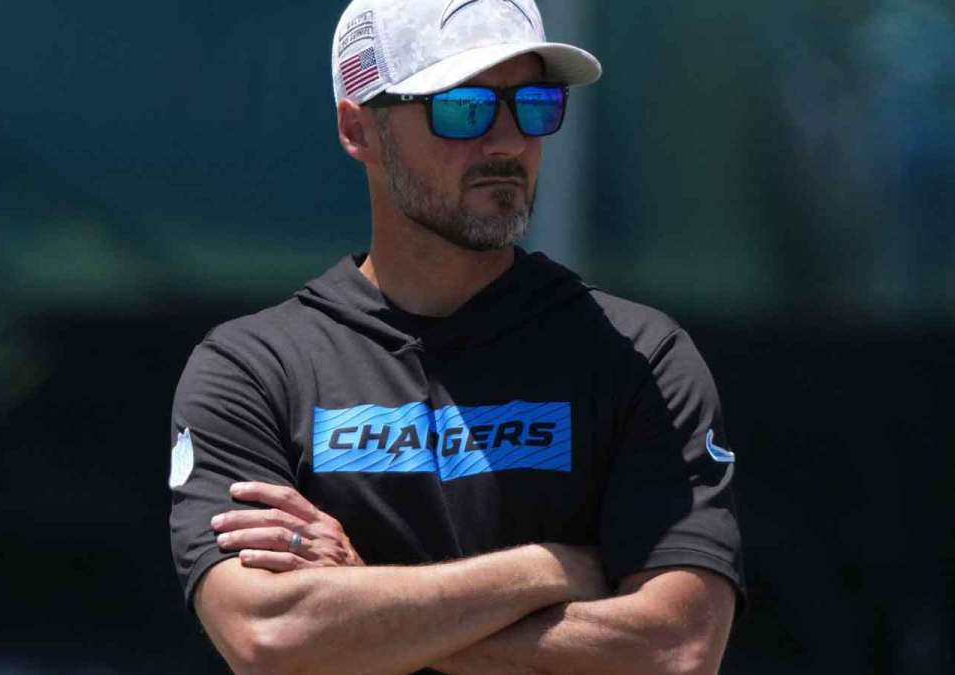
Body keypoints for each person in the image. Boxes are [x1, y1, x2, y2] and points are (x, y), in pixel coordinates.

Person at [168, 1, 745, 673]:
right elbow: (270, 636)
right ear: (360, 130)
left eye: (533, 105)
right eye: (463, 107)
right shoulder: (253, 369)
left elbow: (676, 648)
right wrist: (548, 568)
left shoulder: (640, 356)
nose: (507, 142)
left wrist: (362, 602)